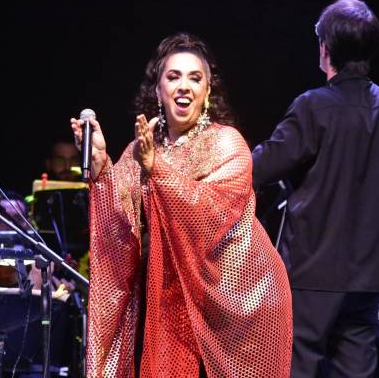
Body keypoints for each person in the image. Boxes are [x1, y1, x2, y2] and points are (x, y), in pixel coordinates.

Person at [71, 32, 292, 377]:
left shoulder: (227, 144)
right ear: (158, 90)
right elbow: (121, 230)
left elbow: (207, 215)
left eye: (195, 77)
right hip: (156, 304)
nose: (184, 85)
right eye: (173, 77)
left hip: (215, 313)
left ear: (207, 91)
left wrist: (156, 169)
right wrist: (100, 169)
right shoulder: (139, 150)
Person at [252, 0, 379, 377]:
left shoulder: (314, 106)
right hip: (367, 276)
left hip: (311, 271)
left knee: (295, 370)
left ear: (325, 47)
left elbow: (261, 167)